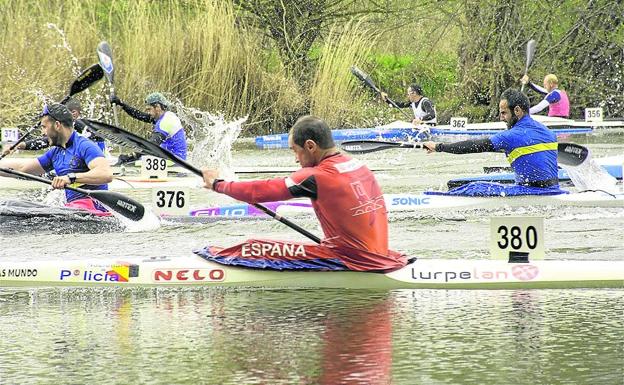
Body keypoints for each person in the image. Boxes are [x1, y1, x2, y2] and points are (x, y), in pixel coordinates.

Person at [197, 115, 406, 272]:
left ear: (310, 146)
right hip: (382, 255)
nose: (296, 159)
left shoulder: (316, 176)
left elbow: (258, 191)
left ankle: (202, 261)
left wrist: (217, 184)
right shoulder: (359, 165)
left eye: (294, 151)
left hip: (353, 261)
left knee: (252, 247)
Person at [422, 88, 564, 196]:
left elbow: (474, 146)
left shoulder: (510, 136)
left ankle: (433, 197)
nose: (501, 118)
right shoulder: (549, 132)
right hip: (555, 190)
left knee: (475, 187)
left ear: (517, 110)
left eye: (503, 113)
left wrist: (438, 147)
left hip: (532, 192)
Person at [0, 104, 113, 215]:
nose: (43, 133)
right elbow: (22, 168)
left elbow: (105, 174)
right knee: (8, 204)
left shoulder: (85, 146)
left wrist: (70, 178)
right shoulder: (55, 153)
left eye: (44, 127)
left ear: (57, 125)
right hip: (72, 209)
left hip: (92, 209)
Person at [1, 98, 105, 156]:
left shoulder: (81, 127)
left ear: (73, 113)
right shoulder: (67, 135)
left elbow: (46, 141)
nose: (43, 132)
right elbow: (45, 141)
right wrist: (18, 145)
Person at [110, 92, 187, 163]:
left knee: (128, 162)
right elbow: (140, 115)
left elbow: (152, 145)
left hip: (174, 163)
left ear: (157, 107)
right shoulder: (166, 116)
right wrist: (122, 104)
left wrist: (131, 156)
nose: (148, 112)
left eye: (149, 109)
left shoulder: (165, 122)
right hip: (173, 159)